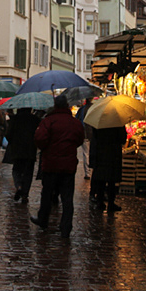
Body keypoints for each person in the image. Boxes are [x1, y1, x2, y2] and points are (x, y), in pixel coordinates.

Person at [30, 95, 85, 238]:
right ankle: (66, 226)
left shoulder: (48, 121)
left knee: (47, 194)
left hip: (51, 164)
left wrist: (47, 147)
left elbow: (39, 139)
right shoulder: (74, 122)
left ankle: (43, 220)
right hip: (68, 165)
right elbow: (80, 139)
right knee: (67, 198)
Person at [3, 107, 42, 202]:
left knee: (16, 170)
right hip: (30, 149)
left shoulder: (15, 119)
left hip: (17, 149)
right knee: (28, 172)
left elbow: (8, 134)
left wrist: (13, 142)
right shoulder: (35, 119)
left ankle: (19, 186)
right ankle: (25, 194)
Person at [89, 125, 127, 212]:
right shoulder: (118, 123)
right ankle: (111, 203)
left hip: (100, 154)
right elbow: (123, 139)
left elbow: (95, 137)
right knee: (111, 181)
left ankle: (100, 202)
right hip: (113, 155)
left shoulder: (98, 123)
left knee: (101, 180)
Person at [76, 99, 93, 179]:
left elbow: (77, 119)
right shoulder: (94, 108)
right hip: (92, 134)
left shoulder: (82, 109)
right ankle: (90, 171)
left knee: (86, 154)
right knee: (90, 153)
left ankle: (87, 172)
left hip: (85, 134)